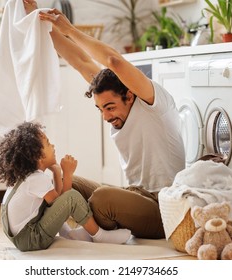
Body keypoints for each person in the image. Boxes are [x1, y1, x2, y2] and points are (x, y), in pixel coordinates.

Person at [23, 0, 185, 239]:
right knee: (64, 180)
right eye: (100, 109)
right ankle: (73, 231)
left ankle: (92, 230)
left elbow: (114, 61)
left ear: (129, 95)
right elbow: (79, 60)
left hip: (163, 207)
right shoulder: (110, 90)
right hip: (132, 194)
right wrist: (38, 21)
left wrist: (69, 29)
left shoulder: (151, 101)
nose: (106, 116)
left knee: (101, 199)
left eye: (110, 108)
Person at [0, 121, 131, 252]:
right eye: (48, 143)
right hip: (30, 239)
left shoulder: (28, 177)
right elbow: (65, 205)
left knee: (55, 202)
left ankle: (69, 234)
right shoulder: (37, 179)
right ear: (38, 156)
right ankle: (100, 235)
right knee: (71, 197)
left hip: (22, 237)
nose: (53, 146)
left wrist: (57, 171)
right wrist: (68, 174)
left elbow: (56, 202)